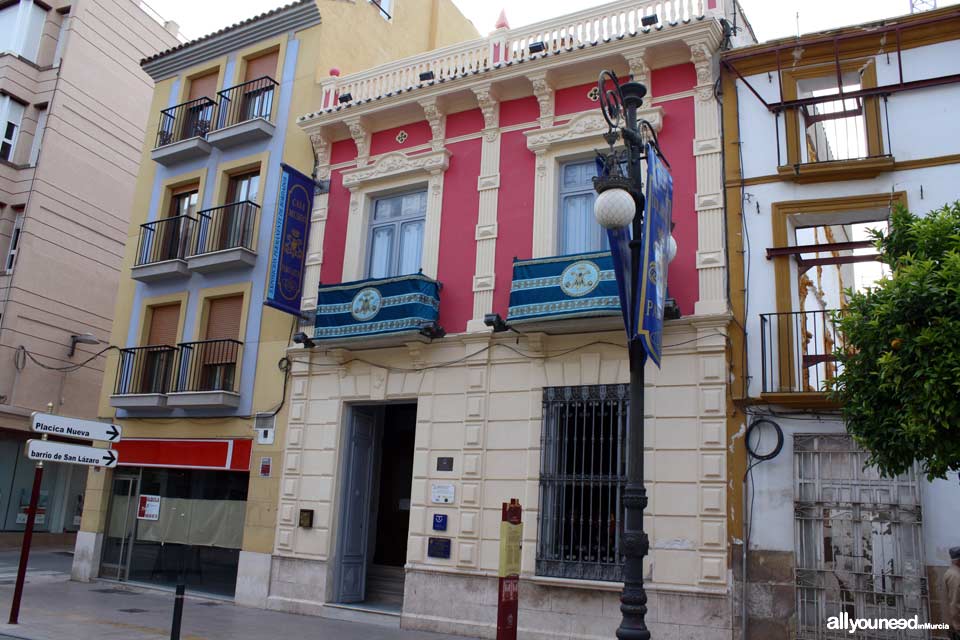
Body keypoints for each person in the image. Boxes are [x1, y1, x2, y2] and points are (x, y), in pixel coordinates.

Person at [946, 547, 960, 640]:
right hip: (957, 626)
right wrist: (958, 626)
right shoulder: (955, 576)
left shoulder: (953, 572)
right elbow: (955, 603)